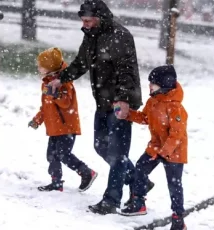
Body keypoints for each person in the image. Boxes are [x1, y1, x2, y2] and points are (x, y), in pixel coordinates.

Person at [48, 0, 154, 214]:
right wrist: (62, 79)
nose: (84, 24)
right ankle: (137, 180)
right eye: (83, 21)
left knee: (117, 153)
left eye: (88, 20)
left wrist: (123, 100)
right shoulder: (92, 35)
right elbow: (81, 62)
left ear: (99, 18)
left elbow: (127, 71)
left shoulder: (120, 36)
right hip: (103, 101)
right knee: (101, 146)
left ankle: (111, 201)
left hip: (119, 103)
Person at [117, 65, 188, 230]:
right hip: (156, 147)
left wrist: (164, 153)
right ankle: (138, 203)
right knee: (140, 168)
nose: (150, 85)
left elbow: (177, 134)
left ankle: (178, 220)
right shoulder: (153, 101)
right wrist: (128, 114)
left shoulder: (175, 107)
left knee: (174, 185)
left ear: (164, 84)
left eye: (153, 83)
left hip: (174, 152)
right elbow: (144, 118)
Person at [28, 47, 98, 192]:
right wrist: (37, 120)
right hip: (54, 128)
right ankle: (56, 182)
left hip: (66, 127)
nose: (38, 67)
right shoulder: (46, 83)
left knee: (63, 154)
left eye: (41, 65)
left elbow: (66, 103)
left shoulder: (64, 83)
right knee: (51, 155)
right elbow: (46, 107)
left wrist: (56, 94)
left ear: (50, 68)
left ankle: (86, 172)